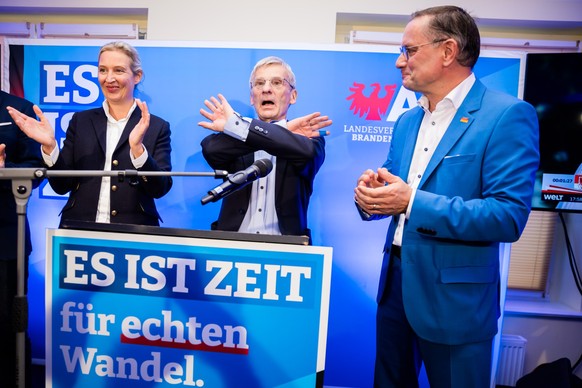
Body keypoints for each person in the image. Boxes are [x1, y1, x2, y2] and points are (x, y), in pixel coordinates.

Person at [354, 6, 539, 388]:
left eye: (408, 50)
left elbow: (506, 216)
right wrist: (371, 198)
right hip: (396, 291)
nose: (398, 61)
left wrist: (411, 202)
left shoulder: (507, 115)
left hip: (457, 304)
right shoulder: (408, 121)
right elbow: (396, 192)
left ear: (448, 51)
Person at [7, 41, 172, 227]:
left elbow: (160, 188)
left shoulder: (157, 126)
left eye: (118, 70)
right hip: (78, 229)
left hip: (134, 231)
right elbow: (61, 186)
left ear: (137, 76)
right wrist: (50, 147)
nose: (109, 78)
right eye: (103, 70)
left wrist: (138, 151)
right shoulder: (81, 121)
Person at [199, 56, 331, 243]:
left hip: (287, 250)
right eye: (259, 83)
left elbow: (308, 154)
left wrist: (240, 127)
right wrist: (281, 129)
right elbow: (211, 150)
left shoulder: (308, 137)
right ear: (252, 98)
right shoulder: (236, 134)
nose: (266, 89)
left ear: (293, 96)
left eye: (277, 82)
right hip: (230, 246)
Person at [0, 90, 43, 387]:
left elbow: (37, 170)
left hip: (4, 240)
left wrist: (4, 170)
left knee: (7, 326)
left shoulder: (18, 109)